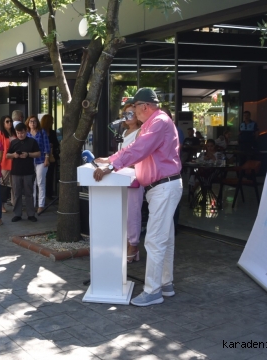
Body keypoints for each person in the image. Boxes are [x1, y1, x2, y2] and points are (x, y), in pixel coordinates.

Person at [94, 88, 182, 307]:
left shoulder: (158, 122)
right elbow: (134, 147)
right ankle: (165, 284)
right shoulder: (155, 122)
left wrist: (112, 166)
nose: (133, 112)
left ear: (144, 106)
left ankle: (153, 291)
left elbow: (140, 149)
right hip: (162, 187)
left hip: (163, 187)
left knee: (154, 240)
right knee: (165, 238)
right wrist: (112, 159)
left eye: (134, 108)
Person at [117, 100, 144, 264]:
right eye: (125, 113)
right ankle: (129, 247)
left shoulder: (140, 132)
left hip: (134, 175)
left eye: (130, 113)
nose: (127, 116)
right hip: (122, 175)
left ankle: (133, 245)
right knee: (123, 213)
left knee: (133, 212)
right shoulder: (124, 133)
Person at [7, 122, 41, 222]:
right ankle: (17, 214)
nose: (20, 135)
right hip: (16, 171)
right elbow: (7, 155)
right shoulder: (13, 142)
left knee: (29, 193)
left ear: (26, 131)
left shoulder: (32, 141)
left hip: (28, 171)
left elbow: (38, 153)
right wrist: (14, 155)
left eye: (22, 133)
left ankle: (31, 214)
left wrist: (28, 154)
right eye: (18, 133)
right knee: (17, 193)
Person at [26, 115, 50, 213]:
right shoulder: (27, 134)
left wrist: (47, 159)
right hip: (30, 161)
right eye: (31, 121)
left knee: (40, 182)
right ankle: (32, 205)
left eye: (34, 121)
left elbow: (46, 146)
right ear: (28, 123)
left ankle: (41, 205)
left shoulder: (42, 132)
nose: (32, 123)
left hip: (41, 160)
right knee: (32, 183)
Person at [0, 115, 14, 213]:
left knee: (14, 184)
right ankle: (1, 205)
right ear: (3, 123)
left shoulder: (14, 133)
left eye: (10, 121)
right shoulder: (0, 134)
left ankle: (15, 204)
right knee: (2, 185)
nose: (9, 123)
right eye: (7, 121)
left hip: (15, 162)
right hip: (4, 163)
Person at [40, 114, 59, 200]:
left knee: (50, 175)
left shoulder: (52, 132)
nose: (52, 122)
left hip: (52, 156)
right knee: (42, 176)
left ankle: (49, 194)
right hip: (42, 157)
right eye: (51, 121)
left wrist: (52, 145)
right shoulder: (40, 132)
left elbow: (57, 144)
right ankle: (43, 194)